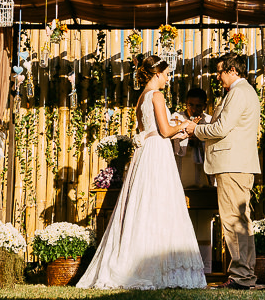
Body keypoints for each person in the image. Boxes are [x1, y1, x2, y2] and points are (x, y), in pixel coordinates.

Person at [76, 55, 206, 290]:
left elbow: (151, 131)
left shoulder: (140, 99)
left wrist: (181, 132)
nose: (168, 78)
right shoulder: (156, 95)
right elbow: (165, 131)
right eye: (166, 74)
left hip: (146, 153)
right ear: (157, 74)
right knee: (160, 204)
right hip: (157, 154)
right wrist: (184, 125)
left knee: (143, 205)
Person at [184, 52, 261, 290]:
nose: (217, 77)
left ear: (233, 71)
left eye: (220, 71)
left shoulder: (238, 92)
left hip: (233, 165)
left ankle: (240, 276)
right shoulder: (243, 91)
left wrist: (195, 129)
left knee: (233, 221)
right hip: (237, 164)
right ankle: (244, 274)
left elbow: (221, 128)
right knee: (240, 220)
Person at [171, 87, 214, 273]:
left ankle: (205, 267)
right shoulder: (176, 118)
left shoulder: (211, 121)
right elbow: (171, 142)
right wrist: (187, 134)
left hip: (204, 178)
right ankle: (180, 266)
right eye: (190, 105)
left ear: (205, 106)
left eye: (198, 106)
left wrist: (200, 136)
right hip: (181, 176)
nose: (194, 110)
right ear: (185, 104)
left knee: (204, 222)